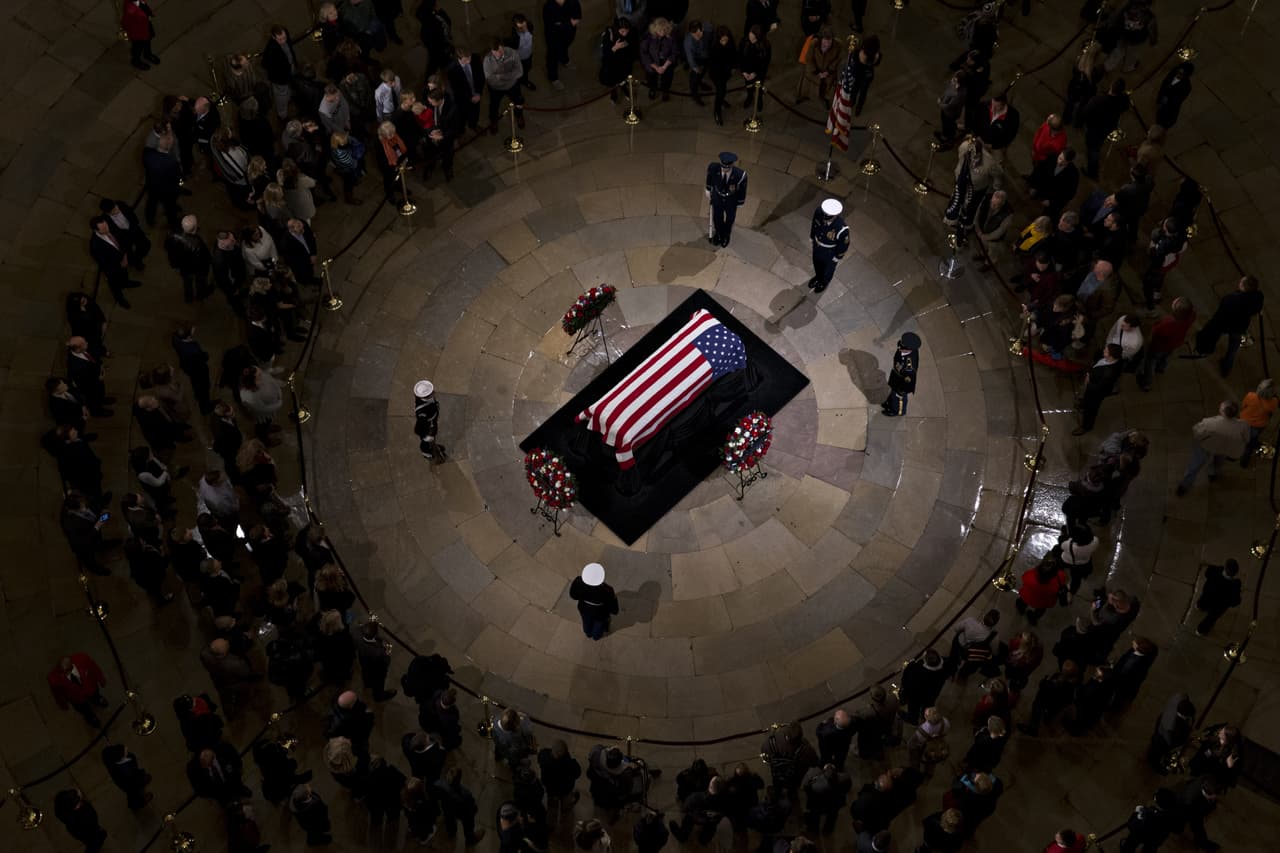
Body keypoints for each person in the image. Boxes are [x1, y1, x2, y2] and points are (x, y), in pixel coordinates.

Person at [1192, 275, 1264, 376]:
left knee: (1213, 334)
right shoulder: (1259, 296)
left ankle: (1205, 349)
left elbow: (1220, 314)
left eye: (1241, 283)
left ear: (1244, 287)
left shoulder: (1231, 299)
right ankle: (1226, 368)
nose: (1239, 283)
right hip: (1240, 326)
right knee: (1233, 348)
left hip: (1225, 324)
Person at [1176, 400, 1250, 496]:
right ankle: (1212, 474)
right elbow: (1246, 439)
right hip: (1224, 449)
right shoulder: (1243, 425)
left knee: (1195, 465)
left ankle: (1184, 485)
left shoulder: (1210, 423)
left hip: (1207, 447)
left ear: (1223, 412)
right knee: (1218, 463)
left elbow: (1197, 432)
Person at [1138, 296, 1194, 391]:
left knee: (1150, 362)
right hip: (1175, 343)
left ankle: (1147, 383)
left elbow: (1153, 333)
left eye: (1174, 303)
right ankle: (1161, 368)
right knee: (1166, 356)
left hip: (1158, 347)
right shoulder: (1192, 315)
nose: (1172, 303)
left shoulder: (1167, 324)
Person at [89, 215, 142, 308]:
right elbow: (104, 263)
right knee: (115, 286)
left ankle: (127, 283)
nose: (106, 230)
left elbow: (122, 240)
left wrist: (125, 255)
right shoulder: (96, 246)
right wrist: (120, 265)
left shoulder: (110, 226)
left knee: (125, 274)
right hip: (113, 269)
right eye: (103, 229)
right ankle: (120, 299)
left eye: (106, 226)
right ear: (96, 231)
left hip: (122, 259)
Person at [1081, 78, 1130, 179]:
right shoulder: (1123, 100)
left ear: (1111, 86)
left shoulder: (1098, 100)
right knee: (1097, 145)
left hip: (1095, 129)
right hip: (1107, 128)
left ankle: (1092, 172)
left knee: (1093, 150)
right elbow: (1126, 106)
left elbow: (1086, 113)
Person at [1073, 343, 1124, 436]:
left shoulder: (1109, 373)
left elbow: (1099, 388)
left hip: (1096, 393)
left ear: (1111, 357)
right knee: (1086, 398)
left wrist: (1089, 381)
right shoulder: (1109, 358)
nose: (1104, 350)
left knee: (1091, 410)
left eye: (1106, 351)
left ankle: (1086, 426)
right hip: (1092, 385)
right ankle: (1082, 405)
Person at [1017, 661, 1079, 736]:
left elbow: (1043, 686)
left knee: (1037, 709)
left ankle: (1033, 728)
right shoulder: (1073, 683)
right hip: (1058, 704)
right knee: (1051, 713)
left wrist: (1046, 680)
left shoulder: (1058, 685)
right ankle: (1047, 719)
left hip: (1047, 701)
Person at [48, 653, 109, 727]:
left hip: (91, 688)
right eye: (61, 672)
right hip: (76, 698)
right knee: (84, 709)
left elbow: (94, 668)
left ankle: (98, 700)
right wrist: (62, 704)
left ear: (71, 666)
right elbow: (57, 693)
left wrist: (101, 679)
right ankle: (91, 717)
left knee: (95, 695)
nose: (62, 675)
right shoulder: (54, 679)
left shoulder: (83, 659)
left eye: (65, 672)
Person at [761, 721, 818, 798]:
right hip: (795, 777)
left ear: (786, 735)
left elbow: (765, 754)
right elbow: (815, 762)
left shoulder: (772, 742)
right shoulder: (807, 749)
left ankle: (777, 794)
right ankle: (791, 796)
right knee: (792, 788)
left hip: (778, 773)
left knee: (777, 784)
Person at [706, 151, 747, 248]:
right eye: (723, 167)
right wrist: (708, 189)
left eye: (727, 168)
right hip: (717, 197)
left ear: (731, 165)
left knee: (730, 218)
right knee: (717, 217)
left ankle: (726, 235)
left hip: (731, 200)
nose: (724, 170)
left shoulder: (740, 175)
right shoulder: (713, 167)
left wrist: (740, 202)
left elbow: (742, 189)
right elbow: (709, 178)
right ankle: (719, 234)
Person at [485, 37, 527, 133]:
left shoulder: (513, 53)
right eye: (495, 52)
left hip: (512, 85)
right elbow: (490, 80)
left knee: (519, 101)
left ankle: (519, 115)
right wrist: (510, 76)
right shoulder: (487, 60)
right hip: (496, 88)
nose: (499, 54)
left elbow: (520, 72)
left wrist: (502, 77)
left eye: (500, 51)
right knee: (494, 106)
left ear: (503, 47)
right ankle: (494, 121)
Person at [569, 561, 619, 639]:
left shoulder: (578, 582)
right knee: (598, 625)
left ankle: (588, 633)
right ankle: (596, 636)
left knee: (586, 621)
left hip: (584, 608)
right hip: (599, 613)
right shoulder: (607, 590)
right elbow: (614, 609)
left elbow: (573, 595)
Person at [808, 198, 849, 294]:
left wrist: (838, 256)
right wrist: (812, 236)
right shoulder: (819, 212)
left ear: (834, 216)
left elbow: (844, 244)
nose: (824, 218)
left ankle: (824, 282)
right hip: (817, 246)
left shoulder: (841, 228)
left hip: (830, 252)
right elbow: (814, 224)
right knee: (816, 263)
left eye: (827, 217)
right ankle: (818, 277)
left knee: (828, 269)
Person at [1120, 788, 1179, 853]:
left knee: (1132, 840)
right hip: (1155, 839)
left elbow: (1132, 824)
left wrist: (1137, 813)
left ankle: (1126, 849)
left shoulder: (1150, 813)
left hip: (1142, 834)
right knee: (1150, 847)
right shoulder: (1170, 817)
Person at [1146, 693, 1195, 773]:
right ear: (1185, 715)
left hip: (1157, 737)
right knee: (1156, 756)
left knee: (1154, 750)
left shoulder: (1168, 713)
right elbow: (1179, 740)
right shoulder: (1183, 727)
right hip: (1164, 744)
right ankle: (1155, 765)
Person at [1108, 636, 1158, 708]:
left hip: (1123, 685)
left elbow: (1127, 678)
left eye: (1135, 643)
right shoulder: (1134, 650)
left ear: (1139, 648)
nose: (1132, 642)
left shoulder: (1139, 665)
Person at [1196, 559, 1242, 635]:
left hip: (1207, 596)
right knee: (1210, 618)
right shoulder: (1235, 585)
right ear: (1235, 573)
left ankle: (1200, 606)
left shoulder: (1216, 570)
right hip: (1218, 607)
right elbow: (1235, 601)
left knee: (1203, 601)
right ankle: (1201, 630)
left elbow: (1207, 573)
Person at [543, 0, 582, 90]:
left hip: (568, 35)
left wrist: (561, 24)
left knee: (564, 48)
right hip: (553, 38)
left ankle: (565, 60)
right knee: (552, 57)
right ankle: (553, 78)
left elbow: (577, 18)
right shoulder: (548, 7)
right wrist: (569, 23)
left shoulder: (573, 2)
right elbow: (551, 27)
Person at [901, 649, 947, 724]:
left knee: (913, 708)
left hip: (916, 695)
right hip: (932, 695)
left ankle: (913, 720)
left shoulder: (916, 670)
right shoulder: (944, 665)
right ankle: (924, 716)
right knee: (928, 706)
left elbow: (906, 682)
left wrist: (910, 665)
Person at [54, 788, 107, 852]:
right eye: (78, 803)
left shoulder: (66, 805)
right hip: (86, 831)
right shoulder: (78, 820)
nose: (81, 802)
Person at [881, 332, 921, 417]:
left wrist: (902, 391)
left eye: (902, 348)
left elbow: (908, 381)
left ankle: (897, 411)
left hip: (902, 384)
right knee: (892, 391)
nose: (899, 348)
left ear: (909, 349)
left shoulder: (909, 366)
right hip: (896, 376)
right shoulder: (904, 347)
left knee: (899, 398)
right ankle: (890, 402)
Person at [102, 744, 153, 809]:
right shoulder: (124, 771)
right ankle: (138, 804)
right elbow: (132, 780)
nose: (126, 748)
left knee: (136, 785)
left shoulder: (112, 755)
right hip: (130, 784)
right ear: (120, 758)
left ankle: (141, 783)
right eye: (125, 751)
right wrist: (139, 780)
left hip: (132, 777)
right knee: (133, 793)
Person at [356, 620, 398, 700]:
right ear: (375, 635)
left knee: (366, 674)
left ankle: (367, 684)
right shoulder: (379, 653)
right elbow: (386, 662)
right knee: (378, 683)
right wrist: (388, 652)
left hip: (364, 664)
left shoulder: (359, 637)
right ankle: (379, 696)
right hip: (377, 672)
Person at [1177, 776, 1220, 851]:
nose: (1215, 797)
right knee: (1197, 826)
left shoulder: (1207, 779)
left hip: (1191, 801)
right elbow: (1196, 817)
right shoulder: (1193, 801)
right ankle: (1202, 842)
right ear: (1207, 794)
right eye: (1213, 795)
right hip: (1185, 806)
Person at [538, 739, 583, 808]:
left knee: (552, 802)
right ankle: (565, 809)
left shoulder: (544, 756)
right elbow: (578, 773)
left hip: (550, 789)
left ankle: (552, 806)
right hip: (564, 790)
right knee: (565, 803)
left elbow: (541, 755)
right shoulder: (570, 764)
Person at [802, 29, 842, 104]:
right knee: (809, 79)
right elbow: (809, 58)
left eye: (829, 42)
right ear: (821, 39)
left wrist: (829, 70)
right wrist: (816, 72)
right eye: (825, 41)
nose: (827, 45)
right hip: (815, 69)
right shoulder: (814, 43)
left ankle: (826, 98)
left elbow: (838, 59)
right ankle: (805, 95)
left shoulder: (838, 45)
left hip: (828, 70)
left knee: (829, 84)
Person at [641, 18, 678, 100]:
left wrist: (664, 67)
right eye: (660, 30)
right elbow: (644, 53)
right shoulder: (648, 37)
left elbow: (674, 52)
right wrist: (656, 67)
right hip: (652, 62)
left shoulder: (671, 36)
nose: (663, 33)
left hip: (667, 62)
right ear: (655, 29)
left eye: (665, 30)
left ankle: (665, 90)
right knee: (651, 77)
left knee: (668, 77)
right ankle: (653, 89)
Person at [706, 25, 736, 125]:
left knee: (723, 90)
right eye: (722, 40)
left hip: (726, 73)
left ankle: (722, 100)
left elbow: (733, 56)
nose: (724, 42)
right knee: (721, 91)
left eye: (726, 40)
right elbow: (711, 63)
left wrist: (732, 67)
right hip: (716, 74)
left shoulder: (730, 43)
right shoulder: (713, 47)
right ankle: (717, 111)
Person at [738, 25, 771, 113]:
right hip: (747, 71)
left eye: (754, 39)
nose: (752, 41)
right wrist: (743, 71)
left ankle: (759, 99)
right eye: (750, 37)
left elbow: (765, 63)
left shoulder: (765, 45)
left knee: (759, 87)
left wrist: (755, 73)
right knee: (748, 86)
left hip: (759, 72)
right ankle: (749, 97)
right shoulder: (744, 41)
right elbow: (740, 57)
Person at [847, 35, 881, 117]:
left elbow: (852, 61)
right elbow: (876, 64)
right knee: (863, 92)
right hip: (867, 76)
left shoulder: (858, 53)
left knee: (855, 88)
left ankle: (852, 101)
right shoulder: (876, 56)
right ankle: (859, 107)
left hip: (858, 74)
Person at [121, 0, 159, 70]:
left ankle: (147, 54)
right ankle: (136, 61)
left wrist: (149, 14)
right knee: (138, 48)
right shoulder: (130, 10)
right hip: (138, 33)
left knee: (148, 41)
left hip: (146, 26)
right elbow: (125, 23)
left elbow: (145, 7)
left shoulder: (140, 1)